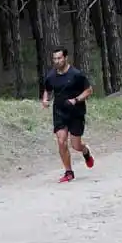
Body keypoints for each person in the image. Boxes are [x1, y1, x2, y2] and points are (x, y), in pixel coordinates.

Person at [40, 46, 95, 183]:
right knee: (61, 141)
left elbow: (89, 91)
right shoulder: (51, 76)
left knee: (76, 145)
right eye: (54, 59)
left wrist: (76, 100)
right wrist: (45, 99)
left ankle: (85, 151)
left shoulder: (76, 74)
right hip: (59, 112)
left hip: (76, 112)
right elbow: (47, 90)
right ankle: (68, 171)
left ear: (65, 58)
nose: (57, 61)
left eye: (59, 58)